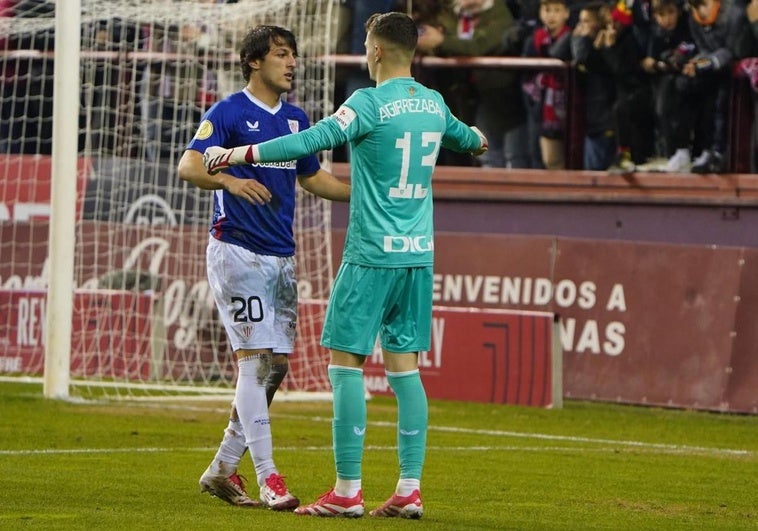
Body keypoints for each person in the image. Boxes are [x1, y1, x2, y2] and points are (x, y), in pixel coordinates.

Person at [202, 11, 487, 518]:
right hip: (418, 257)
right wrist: (477, 138)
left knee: (344, 366)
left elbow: (309, 143)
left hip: (370, 256)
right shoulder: (435, 104)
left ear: (375, 51)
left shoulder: (367, 103)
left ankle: (348, 492)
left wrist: (243, 152)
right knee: (406, 372)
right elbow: (470, 140)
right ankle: (408, 489)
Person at [176, 24, 351, 510]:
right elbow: (190, 167)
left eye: (293, 55)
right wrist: (229, 182)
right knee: (254, 364)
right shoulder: (228, 111)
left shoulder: (296, 120)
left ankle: (221, 471)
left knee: (276, 368)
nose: (291, 63)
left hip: (282, 257)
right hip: (236, 250)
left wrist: (372, 195)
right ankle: (270, 477)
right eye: (280, 54)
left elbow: (315, 178)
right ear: (254, 61)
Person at [415, 0, 525, 168]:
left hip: (498, 99)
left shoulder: (499, 13)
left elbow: (479, 46)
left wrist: (442, 42)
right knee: (477, 157)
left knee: (508, 155)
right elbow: (437, 40)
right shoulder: (451, 14)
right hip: (456, 97)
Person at [684, 0, 751, 173]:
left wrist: (709, 63)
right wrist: (698, 62)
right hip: (714, 68)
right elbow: (702, 47)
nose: (698, 10)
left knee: (721, 97)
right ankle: (703, 150)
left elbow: (733, 50)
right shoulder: (693, 17)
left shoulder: (734, 12)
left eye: (701, 5)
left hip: (740, 69)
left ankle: (721, 152)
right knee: (688, 87)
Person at [641, 0, 697, 172]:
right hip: (663, 81)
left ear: (678, 12)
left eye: (671, 13)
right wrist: (657, 63)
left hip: (687, 78)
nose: (667, 19)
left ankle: (683, 151)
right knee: (661, 109)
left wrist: (666, 62)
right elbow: (649, 61)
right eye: (662, 15)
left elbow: (685, 52)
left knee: (676, 104)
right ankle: (671, 153)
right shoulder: (655, 34)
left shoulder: (686, 27)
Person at [522, 0, 572, 169]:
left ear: (566, 13)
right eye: (547, 10)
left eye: (557, 10)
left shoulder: (572, 38)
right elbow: (525, 77)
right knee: (536, 156)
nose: (551, 15)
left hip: (567, 106)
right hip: (538, 108)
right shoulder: (533, 41)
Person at [571, 1, 617, 170]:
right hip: (591, 121)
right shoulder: (587, 44)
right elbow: (556, 52)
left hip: (604, 121)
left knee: (598, 174)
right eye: (580, 21)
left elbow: (583, 58)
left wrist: (580, 38)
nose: (582, 26)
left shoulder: (605, 48)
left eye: (586, 21)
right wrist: (577, 37)